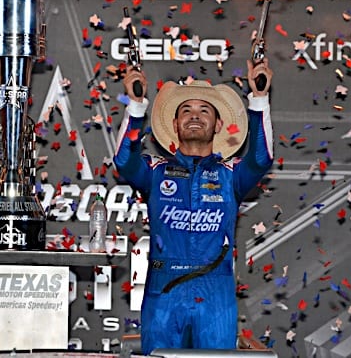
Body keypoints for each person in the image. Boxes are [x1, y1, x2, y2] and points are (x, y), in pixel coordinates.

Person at [114, 60, 274, 353]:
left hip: (216, 294)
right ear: (175, 125)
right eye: (186, 110)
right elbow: (125, 161)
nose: (194, 116)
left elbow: (261, 160)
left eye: (204, 111)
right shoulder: (155, 171)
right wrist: (136, 106)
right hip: (164, 292)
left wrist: (260, 97)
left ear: (218, 124)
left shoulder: (232, 175)